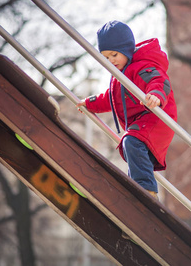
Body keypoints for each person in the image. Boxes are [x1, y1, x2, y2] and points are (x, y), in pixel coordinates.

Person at [76, 20, 177, 199]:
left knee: (131, 141)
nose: (111, 61)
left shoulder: (140, 67)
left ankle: (147, 191)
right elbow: (111, 99)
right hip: (142, 121)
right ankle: (136, 190)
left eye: (114, 54)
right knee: (130, 147)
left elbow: (159, 81)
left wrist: (155, 95)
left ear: (126, 49)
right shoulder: (119, 76)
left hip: (156, 118)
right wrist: (90, 103)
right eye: (106, 58)